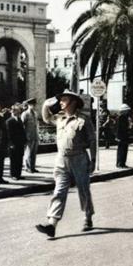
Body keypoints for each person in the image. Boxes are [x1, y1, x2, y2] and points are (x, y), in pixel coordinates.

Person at [36, 90, 97, 238]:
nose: (61, 102)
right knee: (59, 191)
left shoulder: (83, 120)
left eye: (64, 100)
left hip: (79, 159)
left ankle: (88, 217)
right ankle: (52, 224)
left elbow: (92, 140)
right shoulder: (60, 118)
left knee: (83, 190)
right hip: (62, 160)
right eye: (61, 100)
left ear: (73, 102)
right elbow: (46, 117)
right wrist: (45, 104)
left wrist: (93, 160)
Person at [6, 104, 27, 180]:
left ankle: (18, 174)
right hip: (13, 144)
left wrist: (24, 141)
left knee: (19, 159)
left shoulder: (19, 119)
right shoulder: (9, 121)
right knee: (14, 160)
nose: (17, 112)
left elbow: (22, 131)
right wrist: (11, 143)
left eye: (18, 111)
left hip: (20, 143)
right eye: (15, 110)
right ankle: (13, 174)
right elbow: (8, 134)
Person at [21, 98, 40, 173]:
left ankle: (32, 167)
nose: (34, 106)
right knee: (28, 153)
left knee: (33, 153)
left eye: (34, 105)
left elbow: (36, 125)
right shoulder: (25, 114)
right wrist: (24, 136)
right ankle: (27, 167)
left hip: (35, 135)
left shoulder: (35, 113)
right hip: (28, 136)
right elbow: (22, 126)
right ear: (28, 105)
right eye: (32, 105)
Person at [116, 104, 130, 168]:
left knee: (124, 150)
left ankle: (123, 163)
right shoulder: (121, 118)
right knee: (121, 150)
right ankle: (120, 163)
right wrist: (118, 137)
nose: (127, 111)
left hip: (125, 136)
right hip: (121, 136)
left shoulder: (125, 118)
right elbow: (118, 128)